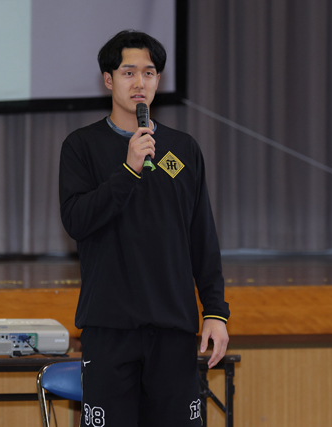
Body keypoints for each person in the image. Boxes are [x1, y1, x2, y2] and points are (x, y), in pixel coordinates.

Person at [59, 30, 230, 427]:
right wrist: (128, 170)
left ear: (158, 81)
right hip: (110, 328)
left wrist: (216, 312)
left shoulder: (182, 150)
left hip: (173, 328)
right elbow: (76, 221)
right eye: (128, 72)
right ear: (108, 80)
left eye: (149, 73)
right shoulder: (81, 146)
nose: (140, 82)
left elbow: (201, 237)